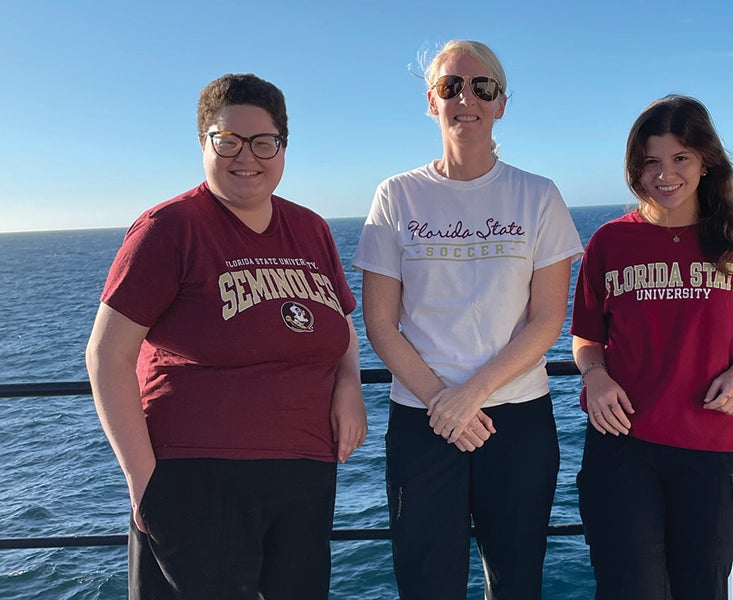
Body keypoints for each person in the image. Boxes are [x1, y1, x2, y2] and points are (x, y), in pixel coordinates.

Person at [84, 73, 366, 599]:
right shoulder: (169, 228)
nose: (247, 157)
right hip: (196, 481)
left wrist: (349, 384)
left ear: (283, 147)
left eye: (263, 142)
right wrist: (144, 484)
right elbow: (106, 356)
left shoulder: (311, 229)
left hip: (304, 476)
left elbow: (340, 323)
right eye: (228, 141)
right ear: (203, 143)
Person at [352, 40, 583, 600]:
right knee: (426, 585)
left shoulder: (538, 196)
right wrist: (443, 402)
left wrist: (470, 396)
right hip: (423, 419)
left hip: (518, 419)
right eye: (451, 86)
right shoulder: (396, 196)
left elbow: (547, 319)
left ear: (501, 103)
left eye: (482, 87)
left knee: (516, 582)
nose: (466, 98)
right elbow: (380, 324)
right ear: (432, 102)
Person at [571, 94, 733, 599]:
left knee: (702, 587)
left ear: (705, 161)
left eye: (680, 157)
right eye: (650, 161)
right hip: (622, 444)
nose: (665, 174)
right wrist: (595, 376)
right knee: (629, 588)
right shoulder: (609, 242)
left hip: (712, 444)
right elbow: (586, 337)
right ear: (635, 168)